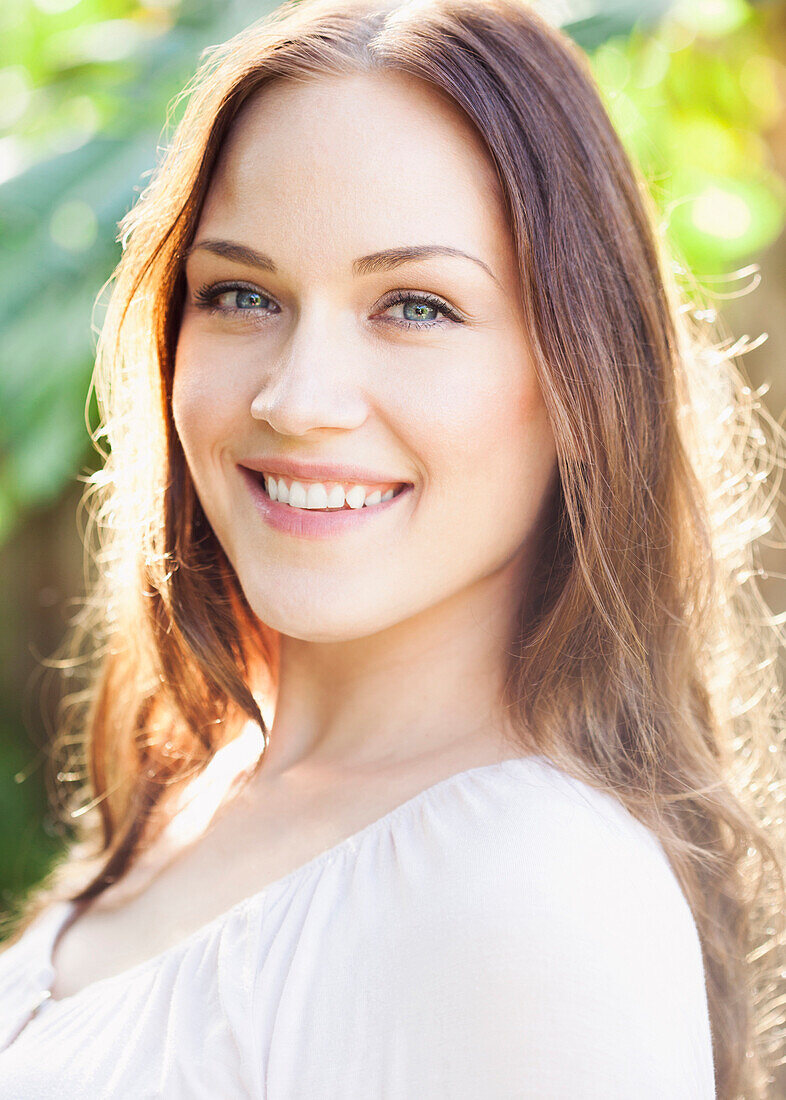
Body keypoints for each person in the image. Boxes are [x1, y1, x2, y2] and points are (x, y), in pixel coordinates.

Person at [0, 0, 784, 1095]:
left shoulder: (531, 889)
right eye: (240, 293)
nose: (297, 396)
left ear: (584, 379)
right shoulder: (206, 781)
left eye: (414, 305)